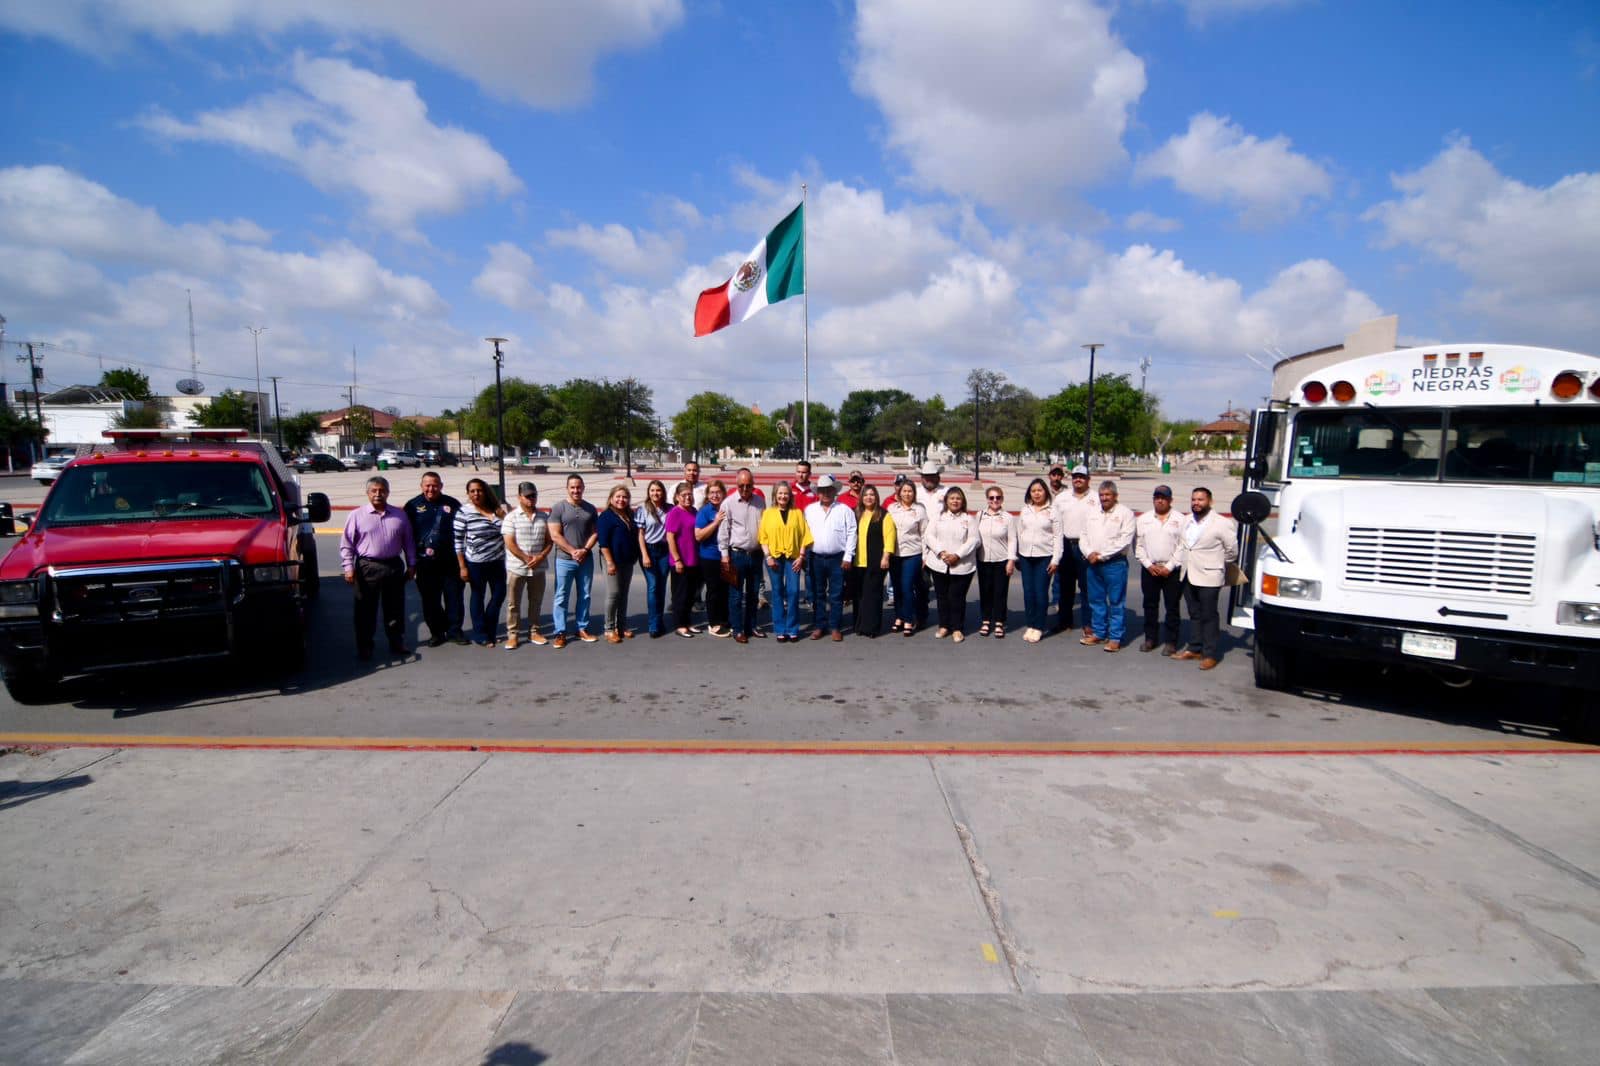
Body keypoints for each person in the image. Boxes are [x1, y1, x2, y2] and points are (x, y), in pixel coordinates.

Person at [339, 475, 415, 660]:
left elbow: (409, 542)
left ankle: (396, 641)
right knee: (365, 609)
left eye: (382, 490)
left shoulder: (400, 515)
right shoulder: (356, 515)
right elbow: (347, 544)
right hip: (367, 567)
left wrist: (412, 565)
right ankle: (365, 646)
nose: (378, 494)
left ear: (388, 492)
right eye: (374, 490)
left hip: (393, 566)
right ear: (367, 493)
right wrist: (348, 568)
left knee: (395, 607)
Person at [1174, 487, 1239, 670]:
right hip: (1188, 573)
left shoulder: (1222, 523)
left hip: (1210, 575)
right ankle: (1195, 648)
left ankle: (1210, 654)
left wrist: (1217, 563)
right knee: (1194, 613)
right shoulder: (1186, 520)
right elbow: (1183, 545)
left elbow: (1232, 551)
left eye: (1200, 500)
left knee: (1209, 615)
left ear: (1210, 501)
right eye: (1194, 499)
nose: (1196, 503)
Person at [403, 471, 466, 647]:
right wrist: (411, 563)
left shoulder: (452, 504)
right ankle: (437, 633)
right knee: (430, 601)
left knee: (454, 598)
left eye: (435, 485)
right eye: (428, 485)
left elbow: (463, 532)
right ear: (421, 486)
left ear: (441, 486)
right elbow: (407, 538)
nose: (431, 488)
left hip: (450, 562)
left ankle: (455, 631)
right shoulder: (412, 506)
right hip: (425, 564)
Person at [1079, 480, 1136, 652]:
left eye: (1108, 495)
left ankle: (1115, 637)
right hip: (1092, 563)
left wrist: (1102, 556)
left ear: (1115, 496)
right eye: (1102, 495)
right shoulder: (1092, 512)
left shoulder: (1125, 513)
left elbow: (1124, 540)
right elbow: (1084, 535)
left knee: (1116, 602)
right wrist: (1089, 553)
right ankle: (1099, 632)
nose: (1104, 498)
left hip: (1114, 564)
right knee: (1096, 600)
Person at [548, 474, 600, 648]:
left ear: (583, 488)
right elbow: (555, 534)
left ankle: (582, 628)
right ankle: (560, 632)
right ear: (567, 488)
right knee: (561, 596)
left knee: (584, 595)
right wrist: (572, 551)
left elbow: (595, 532)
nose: (576, 490)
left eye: (579, 487)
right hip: (564, 559)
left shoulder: (590, 509)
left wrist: (585, 550)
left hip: (585, 559)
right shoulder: (558, 508)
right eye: (572, 487)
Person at [454, 478, 507, 647]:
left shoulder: (496, 510)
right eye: (472, 491)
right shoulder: (464, 512)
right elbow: (458, 542)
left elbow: (507, 530)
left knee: (499, 595)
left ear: (485, 491)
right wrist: (462, 566)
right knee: (478, 596)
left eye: (479, 490)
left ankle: (490, 630)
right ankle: (480, 633)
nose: (476, 494)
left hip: (497, 561)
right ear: (468, 494)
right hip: (476, 563)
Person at [803, 474, 856, 641]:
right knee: (817, 594)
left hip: (837, 558)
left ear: (834, 491)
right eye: (822, 490)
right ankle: (820, 625)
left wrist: (848, 556)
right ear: (817, 492)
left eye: (828, 490)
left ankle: (835, 626)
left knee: (836, 594)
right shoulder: (809, 510)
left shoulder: (844, 510)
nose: (825, 493)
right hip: (815, 557)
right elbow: (804, 533)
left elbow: (852, 533)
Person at [1135, 484, 1185, 655]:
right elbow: (1139, 546)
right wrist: (1148, 565)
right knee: (1150, 605)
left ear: (1170, 500)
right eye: (1157, 497)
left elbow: (1183, 546)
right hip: (1150, 569)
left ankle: (1171, 641)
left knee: (1172, 607)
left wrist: (1170, 566)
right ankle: (1150, 638)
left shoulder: (1180, 519)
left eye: (1163, 498)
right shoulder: (1143, 519)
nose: (1160, 500)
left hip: (1172, 570)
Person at [759, 480, 811, 642]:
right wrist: (768, 556)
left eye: (786, 493)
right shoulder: (768, 513)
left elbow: (805, 535)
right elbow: (763, 537)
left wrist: (801, 557)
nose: (783, 496)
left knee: (794, 592)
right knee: (777, 592)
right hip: (774, 558)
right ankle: (780, 628)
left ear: (790, 496)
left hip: (793, 558)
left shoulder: (797, 513)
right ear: (775, 495)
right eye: (780, 493)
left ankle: (792, 627)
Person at [718, 468, 767, 643]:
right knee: (736, 595)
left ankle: (751, 626)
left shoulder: (760, 502)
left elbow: (764, 528)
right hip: (736, 555)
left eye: (748, 486)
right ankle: (737, 629)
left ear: (753, 485)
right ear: (736, 484)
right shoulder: (728, 503)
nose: (745, 489)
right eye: (741, 486)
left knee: (754, 593)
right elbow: (724, 531)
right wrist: (724, 556)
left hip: (755, 555)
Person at [924, 486, 977, 642]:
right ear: (946, 501)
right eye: (952, 498)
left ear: (963, 501)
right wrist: (941, 552)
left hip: (961, 565)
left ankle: (957, 628)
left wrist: (957, 555)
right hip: (939, 563)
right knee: (942, 597)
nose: (955, 501)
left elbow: (974, 540)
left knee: (957, 597)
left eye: (958, 498)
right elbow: (929, 536)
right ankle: (944, 625)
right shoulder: (938, 517)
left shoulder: (968, 519)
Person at [502, 481, 551, 649]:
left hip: (538, 567)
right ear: (519, 497)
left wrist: (540, 557)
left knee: (535, 601)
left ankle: (534, 631)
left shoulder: (544, 516)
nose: (531, 498)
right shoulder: (511, 517)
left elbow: (549, 541)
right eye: (528, 496)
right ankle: (513, 634)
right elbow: (509, 542)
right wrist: (525, 558)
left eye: (534, 495)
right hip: (517, 567)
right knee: (514, 603)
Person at [1015, 477, 1061, 643]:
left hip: (1045, 557)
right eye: (1033, 491)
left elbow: (1057, 537)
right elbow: (1019, 533)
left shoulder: (1053, 511)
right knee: (1028, 593)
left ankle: (1039, 626)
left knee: (1041, 593)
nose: (1036, 493)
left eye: (1039, 490)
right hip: (1026, 556)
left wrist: (1055, 559)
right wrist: (1017, 556)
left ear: (1045, 492)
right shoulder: (1025, 510)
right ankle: (1031, 624)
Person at [1053, 464, 1096, 634]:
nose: (1078, 479)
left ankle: (1088, 623)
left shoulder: (1096, 498)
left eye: (1082, 477)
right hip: (1066, 545)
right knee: (1065, 587)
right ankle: (1065, 621)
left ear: (1088, 479)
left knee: (1087, 588)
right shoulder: (1062, 498)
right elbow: (1054, 523)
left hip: (1086, 547)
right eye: (1075, 476)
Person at [596, 484, 640, 643]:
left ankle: (621, 627)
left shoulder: (629, 514)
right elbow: (603, 543)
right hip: (612, 561)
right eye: (618, 497)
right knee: (613, 593)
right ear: (611, 498)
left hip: (627, 561)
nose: (621, 500)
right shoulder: (606, 516)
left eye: (625, 497)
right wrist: (609, 562)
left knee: (623, 595)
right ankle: (609, 628)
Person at [850, 485, 896, 637]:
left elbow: (890, 538)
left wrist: (886, 556)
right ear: (861, 497)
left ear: (876, 497)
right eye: (866, 495)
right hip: (857, 562)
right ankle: (859, 625)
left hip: (876, 562)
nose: (869, 498)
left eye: (872, 495)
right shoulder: (856, 514)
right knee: (859, 595)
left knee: (873, 595)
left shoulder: (884, 515)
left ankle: (872, 627)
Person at [887, 479, 929, 635]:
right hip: (895, 554)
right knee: (896, 587)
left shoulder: (920, 510)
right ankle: (899, 616)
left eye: (910, 491)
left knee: (906, 587)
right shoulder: (892, 508)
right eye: (904, 491)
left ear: (914, 493)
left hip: (913, 554)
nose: (907, 493)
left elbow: (925, 533)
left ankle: (909, 619)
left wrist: (925, 555)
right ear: (899, 493)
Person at [974, 485, 1017, 638]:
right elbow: (974, 537)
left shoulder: (1008, 517)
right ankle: (986, 620)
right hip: (983, 559)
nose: (995, 500)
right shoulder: (980, 515)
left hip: (1002, 560)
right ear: (987, 499)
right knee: (985, 591)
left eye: (998, 497)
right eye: (991, 497)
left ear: (1002, 499)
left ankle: (999, 621)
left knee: (1000, 592)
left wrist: (1011, 560)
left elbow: (1012, 540)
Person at [664, 481, 702, 638]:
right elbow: (670, 537)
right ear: (677, 497)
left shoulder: (693, 510)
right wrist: (677, 559)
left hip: (694, 559)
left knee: (690, 595)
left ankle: (687, 622)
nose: (688, 498)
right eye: (684, 495)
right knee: (680, 595)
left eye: (690, 495)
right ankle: (679, 625)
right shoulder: (674, 512)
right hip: (680, 561)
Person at [635, 479, 673, 638]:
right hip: (649, 550)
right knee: (653, 587)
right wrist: (644, 554)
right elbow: (640, 534)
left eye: (658, 490)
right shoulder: (642, 509)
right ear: (648, 492)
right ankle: (653, 625)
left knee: (662, 587)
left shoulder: (669, 509)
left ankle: (659, 620)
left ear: (663, 492)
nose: (655, 493)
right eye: (652, 490)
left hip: (664, 551)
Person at [695, 480, 731, 637]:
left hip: (728, 555)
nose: (715, 495)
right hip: (710, 556)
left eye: (718, 492)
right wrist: (716, 522)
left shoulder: (728, 507)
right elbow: (699, 536)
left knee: (725, 589)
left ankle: (723, 619)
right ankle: (713, 623)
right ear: (707, 495)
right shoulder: (704, 511)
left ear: (723, 493)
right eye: (712, 493)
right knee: (713, 589)